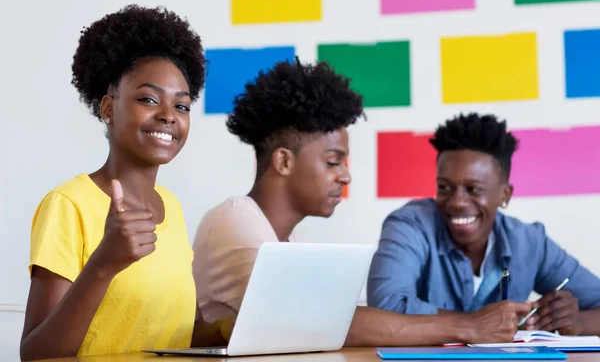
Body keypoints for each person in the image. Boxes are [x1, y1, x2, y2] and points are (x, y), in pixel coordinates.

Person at [192, 59, 531, 347]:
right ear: (283, 162)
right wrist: (469, 327)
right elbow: (326, 322)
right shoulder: (233, 222)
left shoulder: (293, 244)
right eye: (333, 162)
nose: (346, 177)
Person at [20, 5, 232, 361]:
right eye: (148, 99)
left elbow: (170, 332)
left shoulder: (172, 207)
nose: (168, 116)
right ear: (107, 108)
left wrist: (228, 327)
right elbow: (36, 353)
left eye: (181, 106)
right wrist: (104, 263)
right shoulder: (69, 204)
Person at [367, 113, 600, 336]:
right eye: (444, 187)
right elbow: (385, 308)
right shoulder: (410, 225)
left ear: (504, 195)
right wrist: (474, 325)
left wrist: (578, 322)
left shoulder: (529, 242)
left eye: (474, 189)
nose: (457, 202)